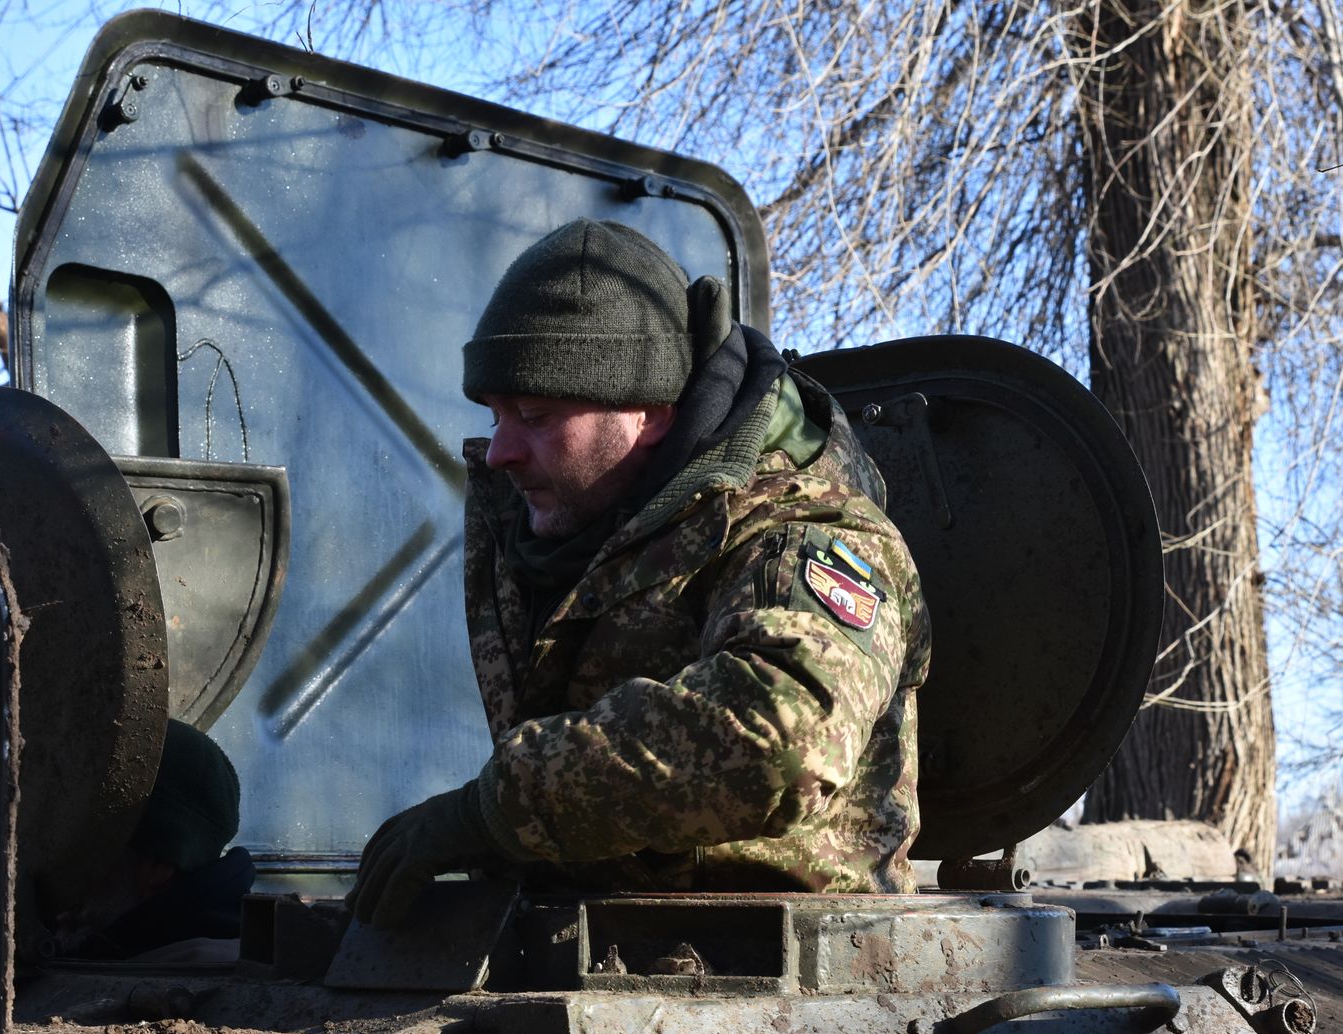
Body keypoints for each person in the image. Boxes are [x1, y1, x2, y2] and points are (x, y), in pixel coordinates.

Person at [348, 219, 931, 928]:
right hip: (596, 945)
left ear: (651, 412)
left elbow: (779, 743)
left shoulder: (803, 537)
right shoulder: (567, 524)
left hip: (791, 968)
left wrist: (500, 808)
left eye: (534, 413)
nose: (500, 451)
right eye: (496, 413)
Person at [48, 719, 254, 961]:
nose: (57, 867)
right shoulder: (110, 948)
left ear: (158, 866)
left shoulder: (196, 974)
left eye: (84, 846)